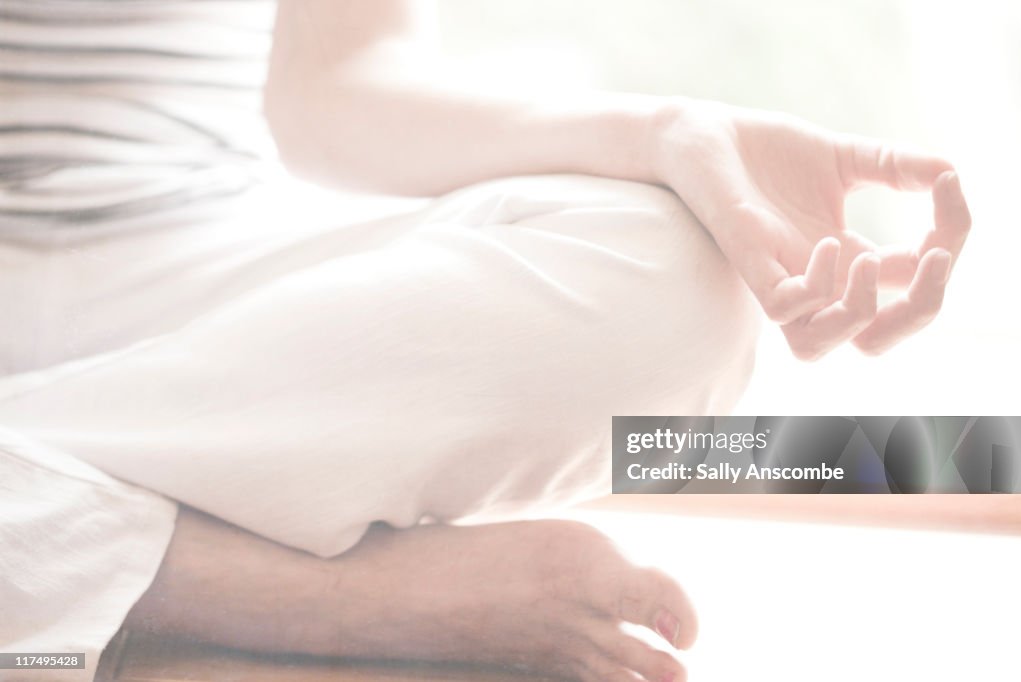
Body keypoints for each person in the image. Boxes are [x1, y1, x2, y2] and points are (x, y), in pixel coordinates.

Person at [0, 1, 971, 681]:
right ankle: (285, 589)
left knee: (672, 284)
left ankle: (45, 510)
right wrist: (339, 605)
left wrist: (670, 132)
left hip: (186, 249)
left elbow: (335, 89)